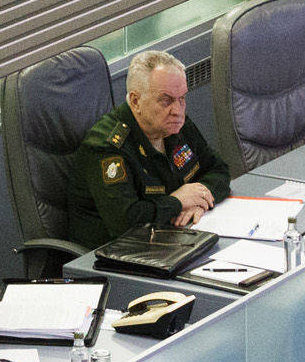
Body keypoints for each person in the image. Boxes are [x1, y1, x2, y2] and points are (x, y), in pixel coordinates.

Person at [67, 49, 232, 245]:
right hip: (118, 255)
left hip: (171, 238)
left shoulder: (175, 125)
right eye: (166, 100)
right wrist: (178, 202)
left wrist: (200, 200)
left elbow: (219, 170)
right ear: (135, 101)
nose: (177, 110)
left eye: (182, 98)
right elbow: (125, 223)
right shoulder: (107, 148)